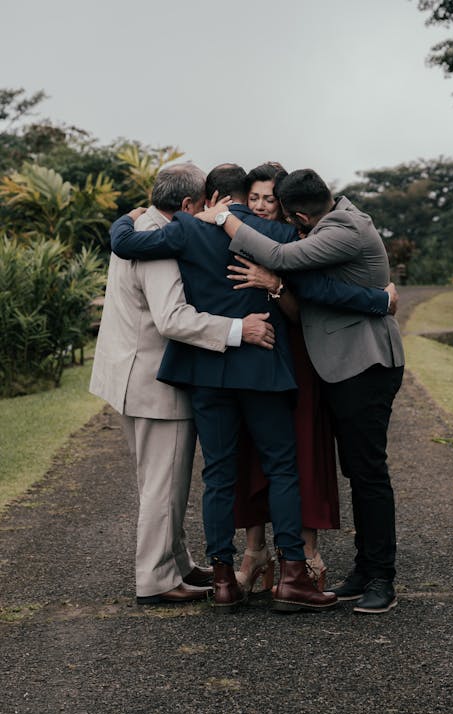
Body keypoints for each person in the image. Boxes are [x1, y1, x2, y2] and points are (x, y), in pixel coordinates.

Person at [110, 163, 339, 614]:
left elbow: (123, 243)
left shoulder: (186, 230)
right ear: (243, 196)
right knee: (281, 469)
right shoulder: (271, 233)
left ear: (210, 195)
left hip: (207, 372)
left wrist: (128, 216)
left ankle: (222, 582)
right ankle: (293, 574)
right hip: (261, 368)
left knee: (217, 474)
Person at [199, 168, 405, 615]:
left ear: (297, 213)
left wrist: (223, 218)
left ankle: (382, 579)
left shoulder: (343, 228)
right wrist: (373, 298)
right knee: (358, 471)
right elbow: (314, 286)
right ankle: (365, 567)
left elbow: (287, 263)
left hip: (364, 364)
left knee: (369, 473)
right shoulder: (332, 220)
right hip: (344, 366)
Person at [90, 163, 276, 606]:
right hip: (154, 381)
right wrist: (238, 329)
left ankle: (177, 561)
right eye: (205, 205)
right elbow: (172, 319)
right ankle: (155, 579)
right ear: (190, 204)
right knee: (163, 484)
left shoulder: (140, 227)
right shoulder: (160, 246)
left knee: (158, 480)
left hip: (129, 374)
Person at [233, 162, 340, 593]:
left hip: (298, 355)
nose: (260, 206)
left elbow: (303, 314)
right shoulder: (236, 237)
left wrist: (275, 284)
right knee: (253, 453)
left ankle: (304, 553)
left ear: (286, 205)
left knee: (304, 451)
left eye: (269, 199)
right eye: (253, 197)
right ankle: (255, 550)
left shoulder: (302, 242)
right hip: (252, 359)